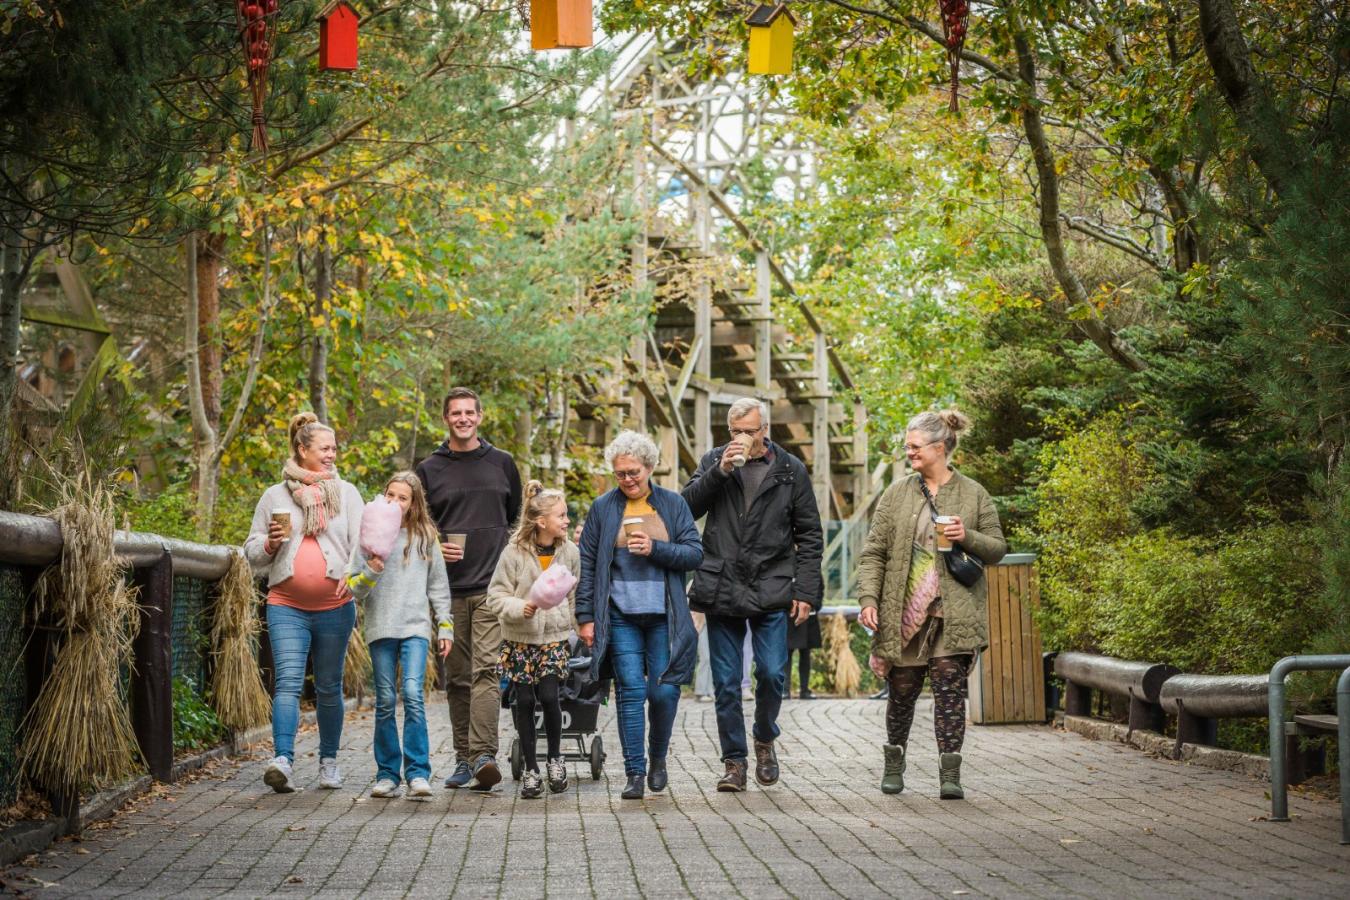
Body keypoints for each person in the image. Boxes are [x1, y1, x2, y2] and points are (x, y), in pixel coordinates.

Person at [857, 410, 1006, 800]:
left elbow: (997, 549)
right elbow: (874, 553)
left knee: (949, 690)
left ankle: (950, 774)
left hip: (953, 611)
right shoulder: (898, 494)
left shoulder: (974, 493)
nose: (909, 453)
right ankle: (894, 762)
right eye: (908, 446)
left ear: (940, 448)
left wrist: (967, 535)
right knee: (902, 690)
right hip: (903, 612)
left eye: (915, 446)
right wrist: (868, 598)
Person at [681, 398, 823, 792]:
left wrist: (806, 590)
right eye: (736, 431)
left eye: (750, 430)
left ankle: (764, 737)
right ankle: (734, 762)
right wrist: (720, 471)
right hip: (721, 583)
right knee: (726, 682)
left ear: (766, 430)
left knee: (773, 673)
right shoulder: (715, 460)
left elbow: (809, 534)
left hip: (771, 583)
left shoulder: (790, 470)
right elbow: (686, 507)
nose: (743, 438)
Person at [575, 431, 702, 800]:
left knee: (662, 692)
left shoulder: (673, 504)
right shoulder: (603, 508)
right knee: (630, 692)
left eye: (634, 472)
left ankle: (658, 759)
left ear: (649, 468)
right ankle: (634, 771)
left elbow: (694, 553)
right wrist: (586, 616)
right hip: (620, 614)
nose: (628, 480)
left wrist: (656, 548)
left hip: (665, 615)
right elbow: (587, 562)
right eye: (620, 474)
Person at [244, 412, 364, 794]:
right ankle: (283, 760)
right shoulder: (275, 496)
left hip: (335, 607)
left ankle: (329, 763)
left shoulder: (346, 494)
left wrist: (354, 577)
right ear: (302, 449)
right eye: (325, 448)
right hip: (286, 604)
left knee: (329, 687)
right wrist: (271, 544)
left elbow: (364, 547)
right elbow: (250, 552)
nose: (332, 455)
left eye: (334, 448)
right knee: (288, 683)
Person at [415, 387, 522, 792]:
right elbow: (417, 527)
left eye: (469, 412)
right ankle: (463, 758)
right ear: (445, 419)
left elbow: (514, 519)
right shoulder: (429, 469)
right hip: (448, 590)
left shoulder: (502, 463)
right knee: (456, 677)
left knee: (487, 672)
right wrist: (435, 543)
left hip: (493, 587)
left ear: (480, 416)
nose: (462, 418)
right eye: (455, 413)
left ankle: (483, 755)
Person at [346, 472, 454, 800]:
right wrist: (371, 570)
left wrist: (445, 625)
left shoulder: (425, 537)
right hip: (381, 626)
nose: (395, 501)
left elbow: (438, 585)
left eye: (402, 497)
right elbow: (354, 589)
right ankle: (387, 773)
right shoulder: (369, 535)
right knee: (385, 700)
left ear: (414, 503)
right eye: (390, 495)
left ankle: (418, 772)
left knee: (412, 694)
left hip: (416, 627)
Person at [485, 481, 580, 799]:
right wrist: (519, 608)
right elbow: (495, 596)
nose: (567, 521)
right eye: (561, 516)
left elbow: (572, 596)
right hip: (519, 640)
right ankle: (530, 768)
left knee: (551, 697)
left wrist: (574, 627)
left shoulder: (569, 552)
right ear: (541, 522)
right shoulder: (513, 554)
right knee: (523, 701)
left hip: (553, 638)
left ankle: (555, 758)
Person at [784, 608, 821, 699]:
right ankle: (784, 690)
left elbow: (818, 594)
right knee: (787, 654)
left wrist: (813, 605)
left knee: (805, 654)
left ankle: (804, 691)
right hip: (790, 615)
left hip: (809, 616)